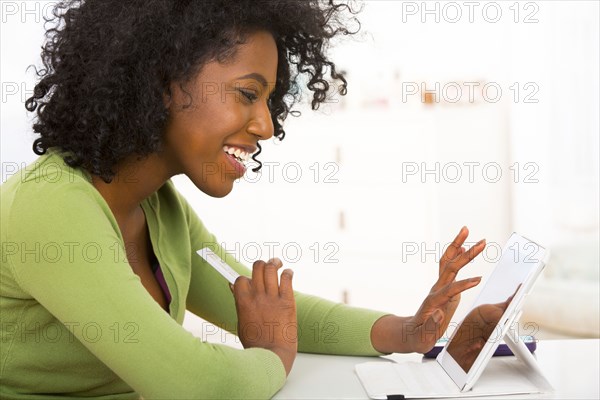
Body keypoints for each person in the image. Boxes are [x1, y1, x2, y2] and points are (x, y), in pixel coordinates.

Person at [0, 1, 486, 398]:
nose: (266, 126)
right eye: (248, 94)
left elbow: (267, 309)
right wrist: (274, 356)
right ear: (161, 82)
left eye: (269, 100)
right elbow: (194, 383)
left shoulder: (160, 208)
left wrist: (408, 332)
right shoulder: (51, 207)